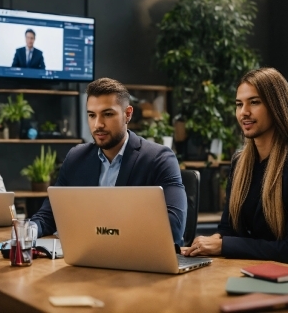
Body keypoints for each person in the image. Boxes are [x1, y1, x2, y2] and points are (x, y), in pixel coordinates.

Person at [183, 68, 288, 271]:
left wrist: (224, 245)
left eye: (254, 102)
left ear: (276, 106)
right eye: (239, 104)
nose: (244, 112)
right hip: (258, 272)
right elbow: (228, 229)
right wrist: (208, 243)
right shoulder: (240, 162)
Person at [30, 77, 187, 245]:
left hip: (137, 261)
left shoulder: (159, 159)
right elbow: (49, 215)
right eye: (92, 115)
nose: (98, 124)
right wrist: (29, 229)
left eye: (108, 114)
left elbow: (174, 227)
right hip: (86, 258)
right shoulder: (76, 158)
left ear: (128, 114)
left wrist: (106, 232)